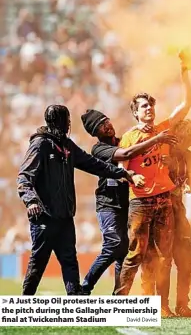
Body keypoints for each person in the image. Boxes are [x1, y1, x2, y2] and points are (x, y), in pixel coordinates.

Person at [17, 104, 143, 296]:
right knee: (38, 262)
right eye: (66, 120)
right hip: (44, 217)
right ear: (58, 121)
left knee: (70, 262)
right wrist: (31, 201)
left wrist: (122, 173)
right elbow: (24, 176)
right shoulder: (40, 144)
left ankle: (75, 301)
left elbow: (95, 165)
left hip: (65, 217)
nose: (68, 123)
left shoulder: (68, 146)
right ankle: (25, 302)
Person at [115, 55, 191, 318]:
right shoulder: (130, 136)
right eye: (143, 106)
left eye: (150, 105)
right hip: (139, 202)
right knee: (136, 254)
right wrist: (130, 177)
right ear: (135, 112)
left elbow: (187, 104)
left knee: (164, 258)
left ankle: (162, 307)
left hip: (163, 201)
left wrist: (184, 72)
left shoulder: (163, 128)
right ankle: (121, 304)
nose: (148, 109)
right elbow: (122, 162)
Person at [80, 109, 177, 295]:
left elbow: (141, 152)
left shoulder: (124, 139)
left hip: (129, 202)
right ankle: (85, 287)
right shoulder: (99, 148)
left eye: (106, 120)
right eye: (100, 125)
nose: (107, 125)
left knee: (125, 251)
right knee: (114, 245)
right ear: (95, 132)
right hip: (108, 204)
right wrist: (155, 139)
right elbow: (126, 154)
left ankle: (120, 295)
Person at [141, 119, 191, 317]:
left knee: (186, 259)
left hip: (178, 210)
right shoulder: (160, 153)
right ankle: (160, 305)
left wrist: (187, 179)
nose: (187, 145)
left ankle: (182, 305)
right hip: (158, 211)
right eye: (186, 140)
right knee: (162, 259)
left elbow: (189, 187)